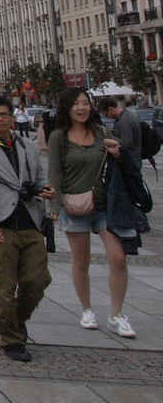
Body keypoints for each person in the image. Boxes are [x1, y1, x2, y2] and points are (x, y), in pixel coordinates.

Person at [0, 95, 54, 362]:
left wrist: (46, 193)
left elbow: (39, 179)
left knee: (38, 280)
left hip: (31, 221)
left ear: (12, 115)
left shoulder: (26, 146)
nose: (1, 119)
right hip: (2, 225)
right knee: (4, 287)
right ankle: (11, 340)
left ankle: (16, 320)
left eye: (5, 114)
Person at [48, 88, 134, 338]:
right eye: (76, 104)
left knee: (118, 258)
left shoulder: (102, 133)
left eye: (85, 103)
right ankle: (87, 309)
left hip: (104, 206)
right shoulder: (59, 137)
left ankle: (117, 315)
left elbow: (120, 167)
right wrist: (54, 208)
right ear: (67, 108)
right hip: (74, 207)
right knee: (81, 261)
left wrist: (117, 153)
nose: (81, 108)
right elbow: (55, 173)